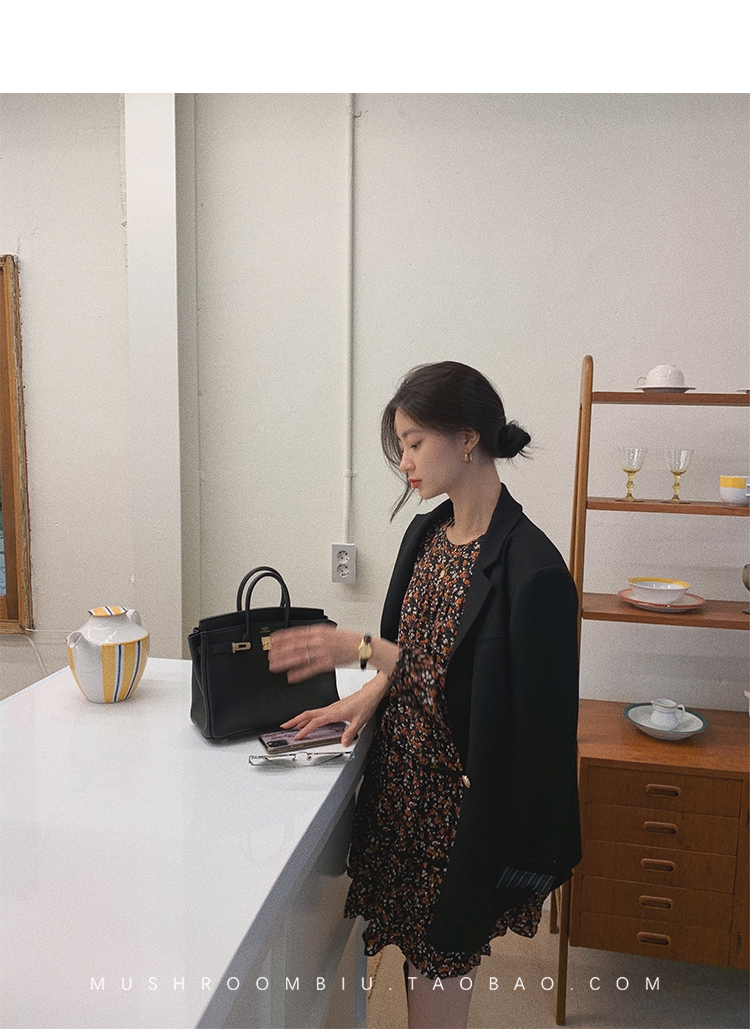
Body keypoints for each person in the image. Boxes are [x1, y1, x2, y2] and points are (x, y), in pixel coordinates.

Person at [268, 361, 581, 1029]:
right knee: (413, 963)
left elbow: (509, 718)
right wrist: (370, 693)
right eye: (401, 445)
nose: (404, 461)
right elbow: (413, 657)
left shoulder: (535, 572)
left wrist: (363, 649)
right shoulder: (426, 535)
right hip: (400, 793)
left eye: (413, 442)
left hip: (459, 817)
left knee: (439, 981)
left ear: (467, 438)